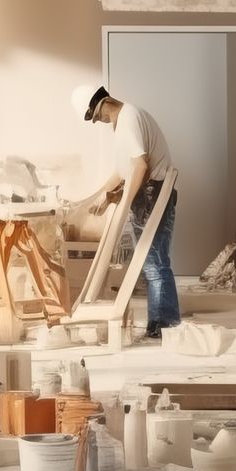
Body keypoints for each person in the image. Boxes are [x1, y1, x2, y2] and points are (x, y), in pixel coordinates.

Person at [70, 83, 179, 340]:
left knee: (155, 263)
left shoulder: (128, 118)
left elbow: (141, 166)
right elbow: (122, 171)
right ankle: (162, 323)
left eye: (97, 116)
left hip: (153, 193)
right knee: (152, 262)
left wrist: (125, 200)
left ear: (104, 102)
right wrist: (103, 198)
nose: (99, 122)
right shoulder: (123, 122)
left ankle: (165, 325)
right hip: (147, 194)